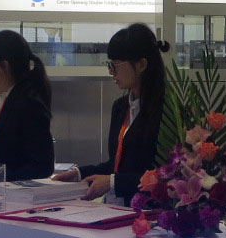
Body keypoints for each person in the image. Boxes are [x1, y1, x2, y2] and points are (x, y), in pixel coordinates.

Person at [54, 23, 169, 204]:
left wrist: (113, 182)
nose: (111, 72)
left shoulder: (167, 110)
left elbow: (165, 175)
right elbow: (116, 165)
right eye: (110, 64)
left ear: (141, 64)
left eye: (115, 65)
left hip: (147, 209)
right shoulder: (121, 107)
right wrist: (79, 174)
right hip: (116, 206)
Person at [0, 30, 54, 180]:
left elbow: (42, 166)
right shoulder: (0, 99)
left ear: (4, 65)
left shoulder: (29, 105)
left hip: (14, 192)